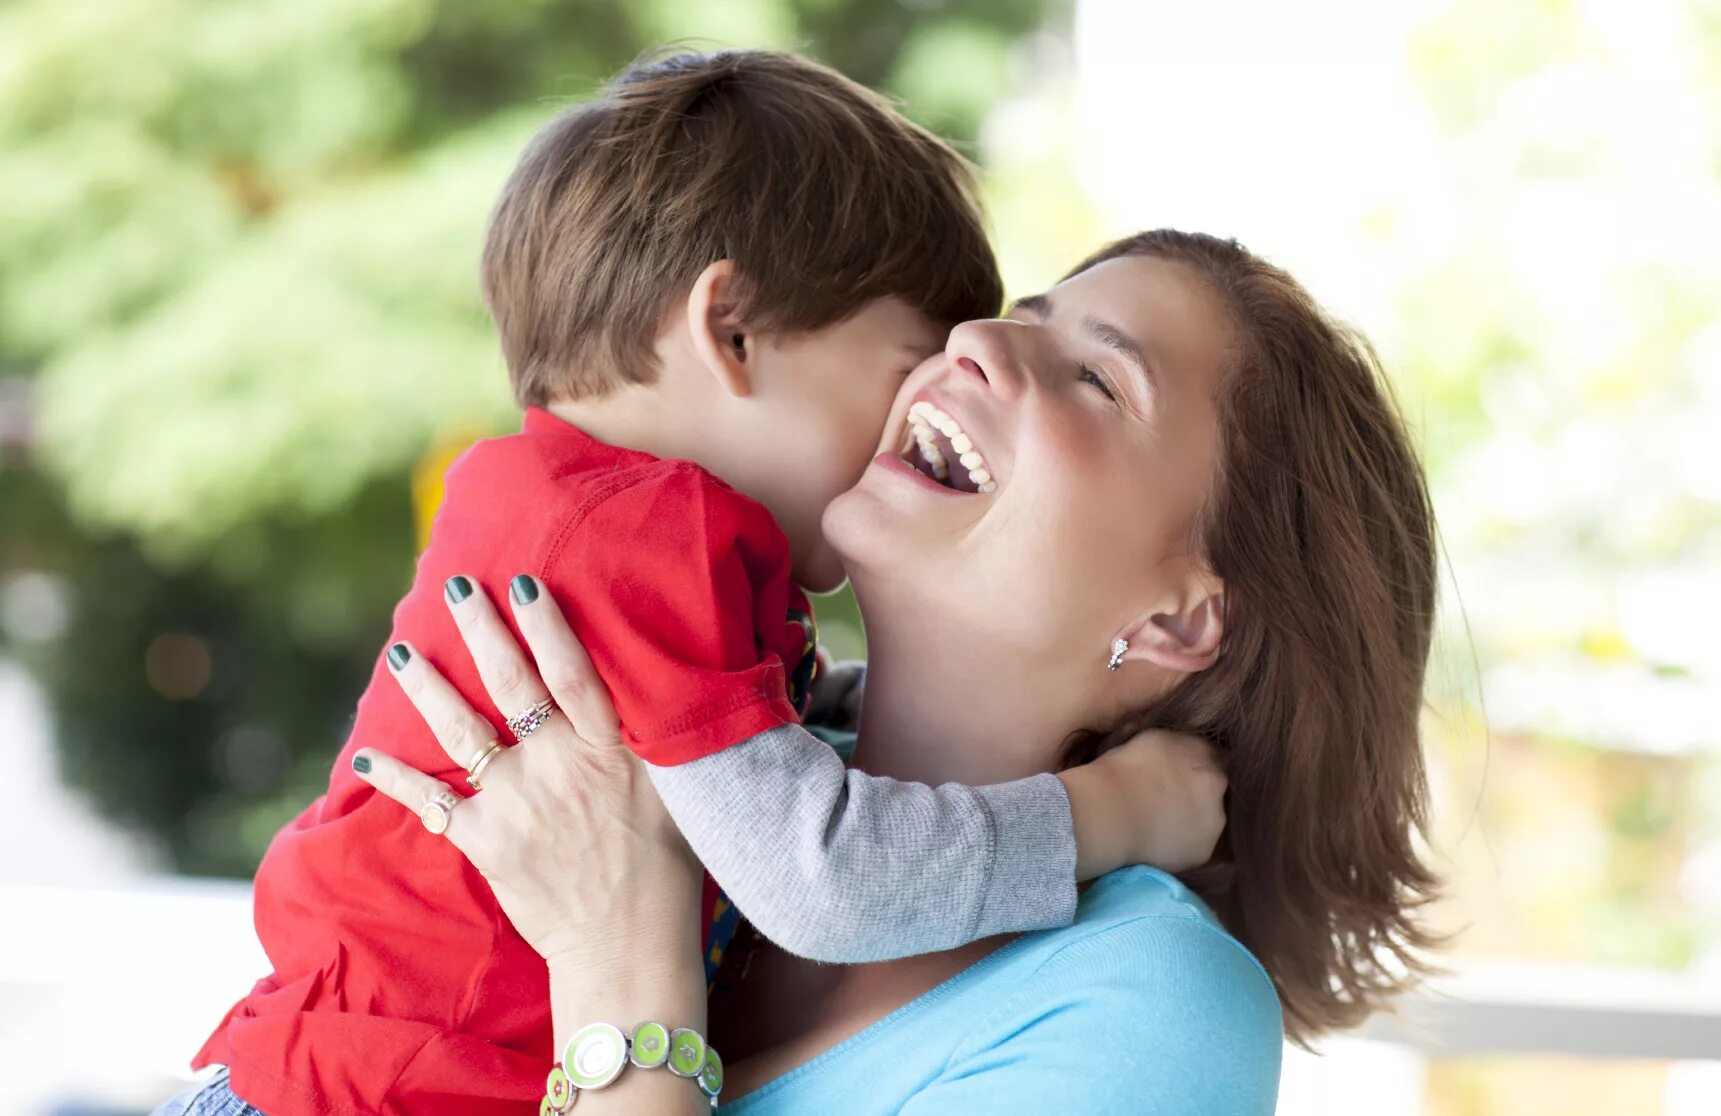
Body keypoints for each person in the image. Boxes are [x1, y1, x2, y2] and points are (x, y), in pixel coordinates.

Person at [178, 52, 1224, 1116]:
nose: (932, 388)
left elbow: (725, 761)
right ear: (730, 331)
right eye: (902, 357)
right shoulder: (649, 532)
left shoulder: (580, 511)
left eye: (1096, 379)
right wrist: (1107, 811)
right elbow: (821, 882)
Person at [323, 229, 1445, 1114]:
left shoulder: (1152, 1011)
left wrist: (619, 969)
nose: (973, 341)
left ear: (1178, 620)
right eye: (1016, 318)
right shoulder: (688, 763)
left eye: (1098, 381)